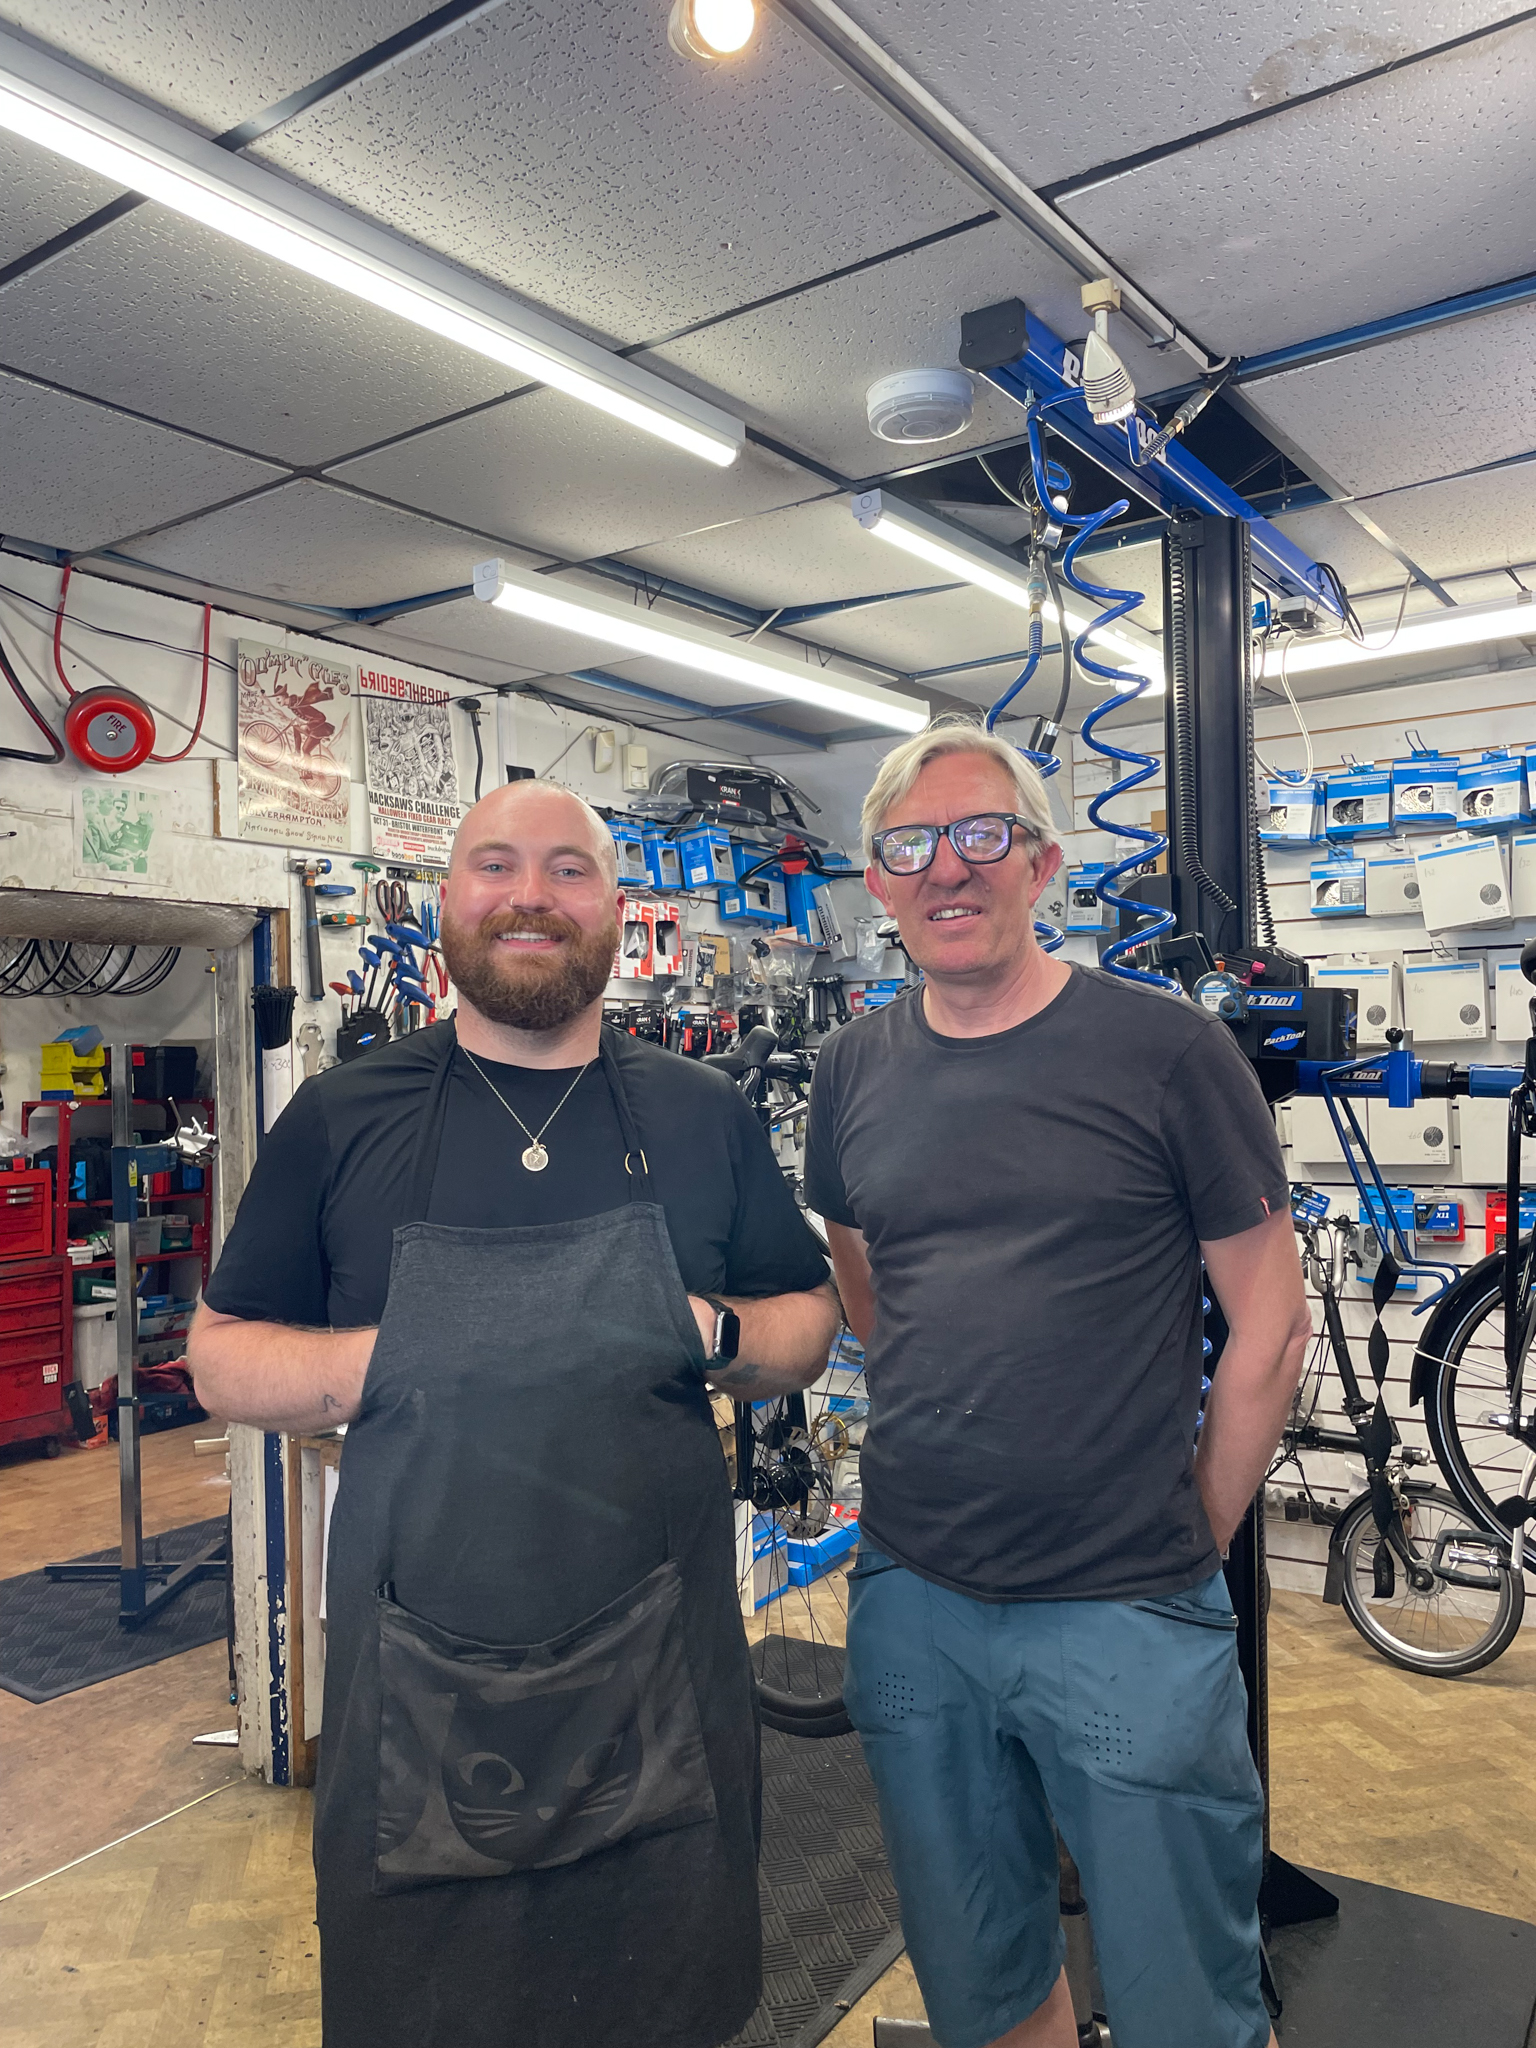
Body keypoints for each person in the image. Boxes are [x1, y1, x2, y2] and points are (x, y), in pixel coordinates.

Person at [189, 778, 838, 2048]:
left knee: (663, 2006)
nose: (530, 895)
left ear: (616, 909)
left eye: (568, 869)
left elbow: (807, 1319)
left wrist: (712, 1333)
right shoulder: (344, 1115)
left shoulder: (700, 1113)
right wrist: (403, 1353)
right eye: (496, 864)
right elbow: (220, 1359)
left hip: (664, 1674)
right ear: (448, 900)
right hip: (417, 1676)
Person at [803, 721, 1311, 2048]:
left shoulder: (1167, 1053)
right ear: (879, 880)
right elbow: (872, 1291)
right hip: (915, 1595)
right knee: (981, 1980)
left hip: (1124, 1603)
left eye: (983, 834)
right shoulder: (852, 1068)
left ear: (1043, 864)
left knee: (1187, 2004)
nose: (947, 868)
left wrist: (1190, 1527)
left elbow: (1270, 1325)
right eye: (910, 845)